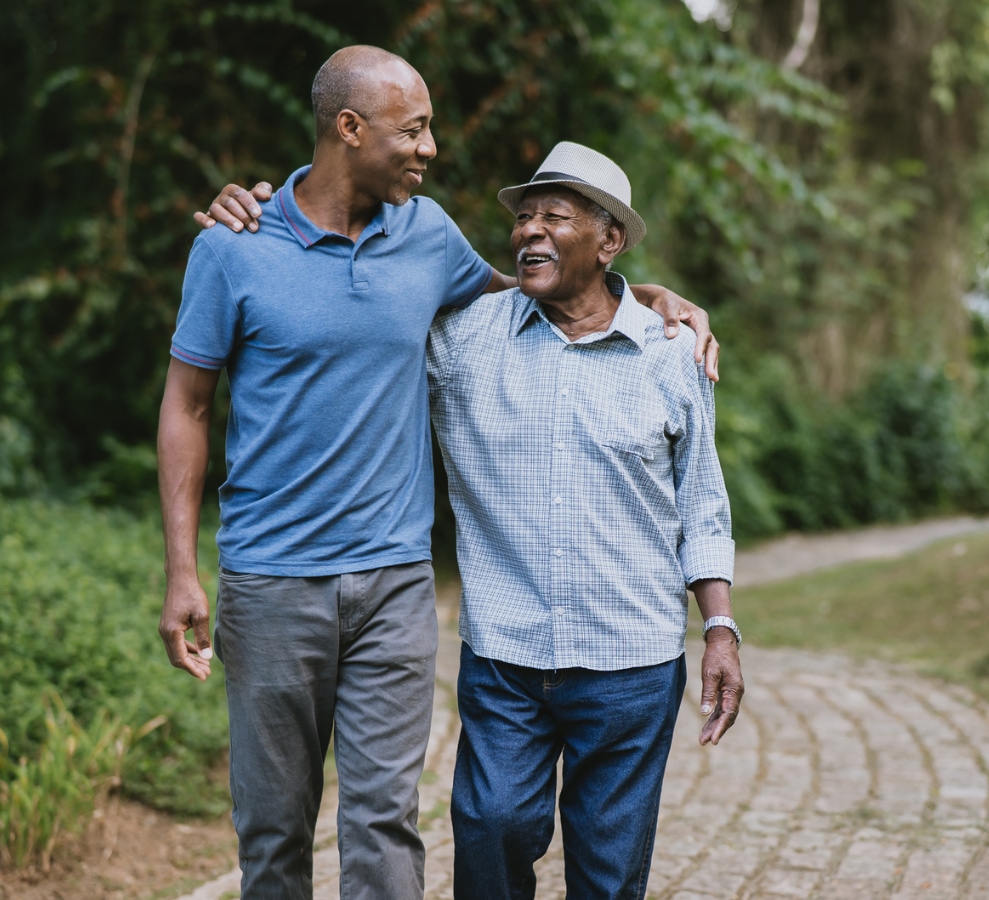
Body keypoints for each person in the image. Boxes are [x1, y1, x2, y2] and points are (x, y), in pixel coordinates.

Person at [159, 47, 713, 899]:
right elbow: (187, 408)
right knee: (272, 830)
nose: (429, 148)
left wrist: (649, 297)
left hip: (394, 584)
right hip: (271, 583)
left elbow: (542, 291)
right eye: (412, 129)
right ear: (350, 127)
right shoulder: (235, 249)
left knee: (382, 824)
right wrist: (181, 572)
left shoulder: (426, 235)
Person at [426, 142, 743, 900]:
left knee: (607, 876)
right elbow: (358, 315)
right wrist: (264, 217)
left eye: (555, 217)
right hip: (506, 656)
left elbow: (702, 503)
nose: (530, 231)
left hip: (631, 662)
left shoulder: (671, 356)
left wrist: (721, 628)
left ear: (609, 241)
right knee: (492, 827)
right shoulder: (466, 339)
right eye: (524, 217)